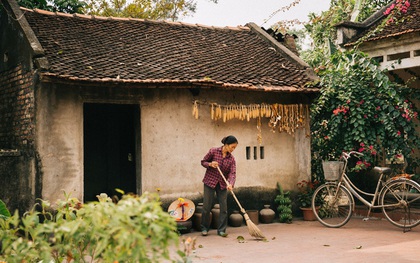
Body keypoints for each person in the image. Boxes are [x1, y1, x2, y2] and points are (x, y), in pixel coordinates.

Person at [200, 135, 238, 237]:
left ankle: (221, 230)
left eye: (235, 148)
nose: (233, 149)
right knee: (206, 207)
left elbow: (232, 173)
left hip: (222, 184)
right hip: (210, 182)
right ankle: (204, 228)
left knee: (224, 208)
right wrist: (210, 164)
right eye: (232, 147)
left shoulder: (232, 159)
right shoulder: (213, 151)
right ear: (226, 145)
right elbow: (203, 162)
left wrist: (230, 183)